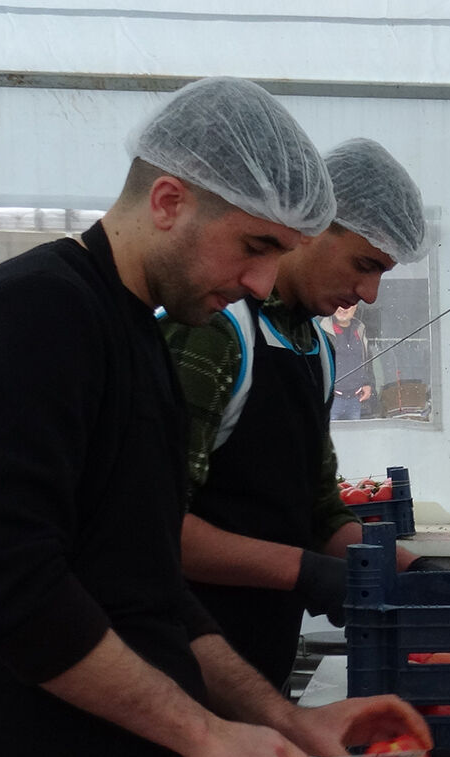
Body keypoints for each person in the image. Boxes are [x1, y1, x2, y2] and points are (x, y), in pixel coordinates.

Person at [0, 78, 431, 757]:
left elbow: (151, 587)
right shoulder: (36, 313)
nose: (261, 283)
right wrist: (202, 730)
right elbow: (9, 587)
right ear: (167, 200)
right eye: (253, 247)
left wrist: (286, 720)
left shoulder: (140, 337)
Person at [162, 137, 435, 692]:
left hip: (261, 665)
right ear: (311, 227)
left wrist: (414, 571)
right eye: (365, 264)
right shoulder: (215, 332)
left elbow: (320, 512)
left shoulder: (316, 349)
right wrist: (305, 571)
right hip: (177, 667)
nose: (370, 294)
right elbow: (154, 529)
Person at [327, 302, 381, 420]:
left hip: (356, 400)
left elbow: (366, 361)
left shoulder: (360, 330)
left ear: (356, 306)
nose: (343, 308)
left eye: (349, 303)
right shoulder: (322, 330)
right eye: (340, 302)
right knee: (330, 431)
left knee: (355, 432)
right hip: (331, 401)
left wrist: (368, 384)